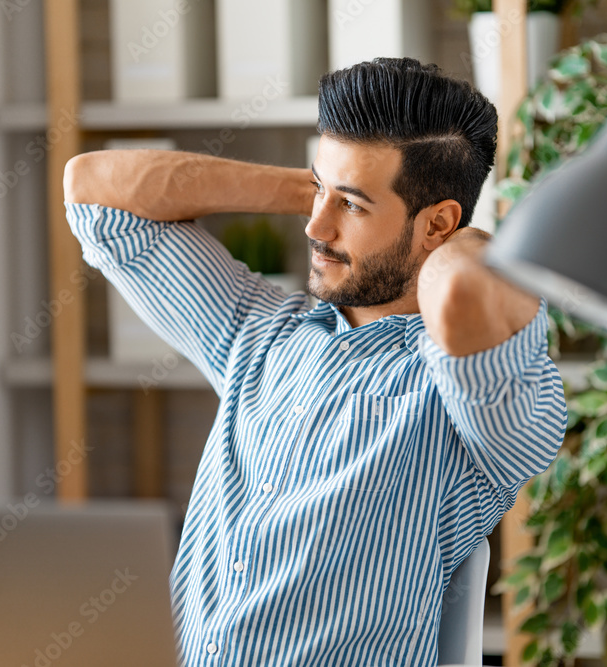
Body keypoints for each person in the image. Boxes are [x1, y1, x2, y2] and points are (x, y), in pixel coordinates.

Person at [64, 57, 567, 667]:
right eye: (317, 191)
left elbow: (465, 291)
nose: (314, 226)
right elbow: (93, 190)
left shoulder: (461, 399)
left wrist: (458, 243)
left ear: (439, 224)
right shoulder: (261, 332)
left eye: (351, 206)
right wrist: (320, 187)